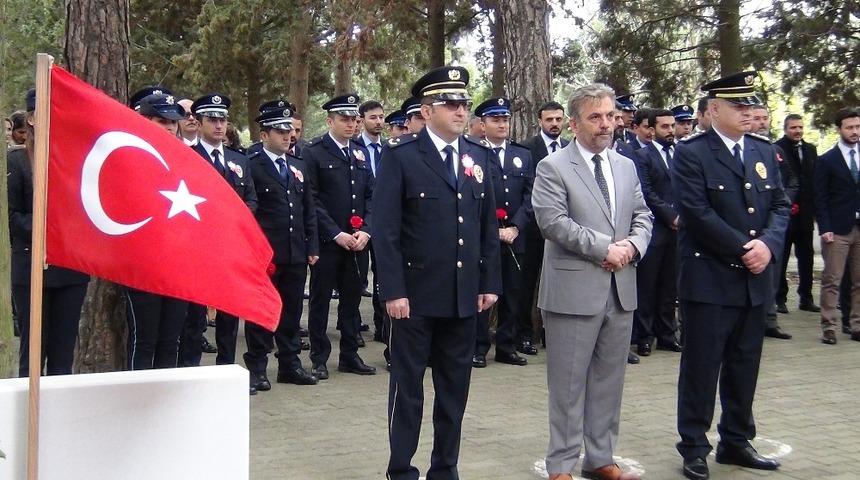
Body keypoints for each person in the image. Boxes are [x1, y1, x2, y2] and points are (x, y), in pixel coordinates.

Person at [373, 65, 501, 480]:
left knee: (454, 392)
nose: (461, 110)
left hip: (463, 296)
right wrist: (393, 291)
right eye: (450, 104)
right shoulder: (401, 156)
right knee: (408, 390)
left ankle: (444, 469)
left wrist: (488, 283)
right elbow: (387, 230)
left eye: (464, 103)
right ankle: (401, 470)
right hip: (414, 296)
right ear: (427, 112)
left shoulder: (477, 156)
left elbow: (485, 228)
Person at [532, 83, 651, 480]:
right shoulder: (553, 166)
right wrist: (606, 248)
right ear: (573, 123)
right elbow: (553, 223)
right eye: (595, 117)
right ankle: (561, 466)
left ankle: (600, 459)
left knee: (608, 382)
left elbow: (643, 216)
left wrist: (632, 247)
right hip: (573, 291)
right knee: (567, 387)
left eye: (611, 116)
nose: (606, 125)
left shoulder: (625, 165)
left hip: (620, 290)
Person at [673, 71, 788, 480]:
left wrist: (769, 245)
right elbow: (696, 212)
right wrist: (745, 248)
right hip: (710, 279)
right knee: (702, 368)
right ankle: (694, 446)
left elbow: (779, 203)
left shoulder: (761, 150)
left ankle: (736, 441)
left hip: (753, 280)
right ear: (715, 109)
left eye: (750, 105)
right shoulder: (692, 153)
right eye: (738, 105)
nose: (747, 112)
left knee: (745, 364)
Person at [9, 89, 90, 377]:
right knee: (32, 355)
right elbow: (12, 217)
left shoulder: (74, 160)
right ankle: (27, 420)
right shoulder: (16, 162)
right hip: (31, 266)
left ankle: (59, 419)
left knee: (62, 356)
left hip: (70, 269)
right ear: (31, 118)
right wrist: (51, 227)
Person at [243, 102, 320, 392]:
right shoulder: (251, 164)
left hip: (295, 252)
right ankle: (257, 367)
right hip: (267, 254)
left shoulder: (297, 165)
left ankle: (289, 364)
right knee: (262, 311)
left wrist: (311, 245)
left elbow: (307, 209)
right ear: (264, 135)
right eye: (280, 131)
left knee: (291, 311)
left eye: (290, 130)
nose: (288, 136)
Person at [187, 93, 258, 392]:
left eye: (222, 120)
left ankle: (227, 370)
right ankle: (190, 373)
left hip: (231, 248)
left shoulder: (239, 160)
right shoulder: (189, 157)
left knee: (230, 315)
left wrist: (235, 222)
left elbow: (252, 199)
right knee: (194, 318)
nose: (218, 125)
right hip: (200, 249)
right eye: (212, 120)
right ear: (200, 122)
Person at [303, 93, 376, 380]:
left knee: (352, 300)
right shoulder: (314, 151)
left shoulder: (358, 151)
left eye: (354, 119)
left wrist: (366, 230)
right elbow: (311, 198)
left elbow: (372, 195)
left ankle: (349, 355)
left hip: (357, 241)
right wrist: (335, 233)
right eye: (344, 119)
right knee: (321, 300)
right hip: (328, 242)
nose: (351, 124)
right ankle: (319, 358)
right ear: (329, 120)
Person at [123, 91, 190, 370]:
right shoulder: (129, 157)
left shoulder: (187, 159)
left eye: (173, 122)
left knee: (171, 340)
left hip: (177, 262)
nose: (169, 127)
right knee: (144, 339)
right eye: (162, 121)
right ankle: (136, 403)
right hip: (142, 264)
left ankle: (165, 404)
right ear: (144, 120)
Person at [472, 97, 534, 368]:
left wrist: (516, 226)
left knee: (513, 292)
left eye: (505, 119)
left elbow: (532, 195)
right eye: (495, 119)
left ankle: (506, 346)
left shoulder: (522, 154)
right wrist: (493, 231)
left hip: (515, 237)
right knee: (483, 293)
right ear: (482, 124)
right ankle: (478, 347)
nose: (501, 124)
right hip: (485, 238)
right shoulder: (473, 153)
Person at [632, 108, 682, 357]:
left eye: (673, 126)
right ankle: (644, 336)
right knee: (647, 286)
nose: (671, 130)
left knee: (669, 286)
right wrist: (670, 216)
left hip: (679, 231)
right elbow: (646, 191)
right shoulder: (642, 156)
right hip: (654, 230)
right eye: (665, 126)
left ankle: (667, 334)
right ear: (651, 130)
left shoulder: (681, 154)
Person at [520, 101, 569, 356]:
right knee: (526, 286)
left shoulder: (570, 148)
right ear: (540, 121)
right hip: (532, 229)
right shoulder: (528, 149)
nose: (554, 124)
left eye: (558, 119)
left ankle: (554, 335)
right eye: (549, 119)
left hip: (563, 230)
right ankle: (525, 334)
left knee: (559, 284)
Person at [750, 104, 797, 340]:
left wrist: (783, 203)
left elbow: (789, 181)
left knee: (772, 274)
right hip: (752, 223)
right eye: (755, 118)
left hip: (772, 225)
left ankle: (770, 320)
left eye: (764, 118)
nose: (761, 123)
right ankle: (756, 321)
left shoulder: (773, 150)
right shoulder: (746, 150)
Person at [814, 108, 860, 344]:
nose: (855, 132)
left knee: (859, 280)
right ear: (839, 129)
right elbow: (819, 197)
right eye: (850, 127)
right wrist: (825, 227)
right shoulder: (826, 160)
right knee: (832, 279)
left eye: (858, 127)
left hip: (859, 227)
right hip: (837, 229)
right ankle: (829, 326)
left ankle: (856, 324)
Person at [775, 114, 820, 313]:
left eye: (800, 127)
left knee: (806, 257)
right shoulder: (777, 148)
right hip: (785, 213)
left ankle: (806, 298)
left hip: (806, 215)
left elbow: (814, 180)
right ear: (786, 129)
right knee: (782, 257)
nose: (798, 131)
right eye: (793, 127)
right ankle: (780, 298)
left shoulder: (810, 150)